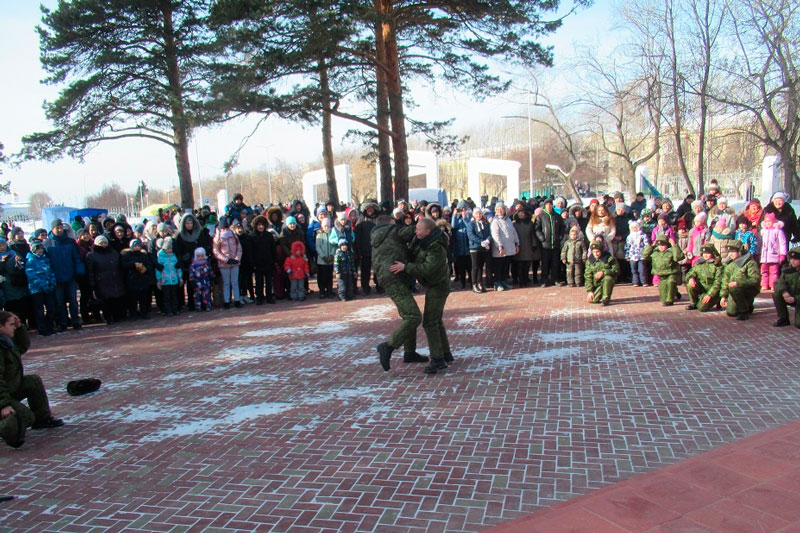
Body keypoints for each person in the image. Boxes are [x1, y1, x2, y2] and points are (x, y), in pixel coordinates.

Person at [389, 217, 453, 374]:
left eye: (418, 229)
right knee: (436, 321)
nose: (415, 231)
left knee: (430, 322)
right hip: (433, 284)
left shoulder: (436, 246)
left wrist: (405, 267)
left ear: (428, 231)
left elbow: (427, 268)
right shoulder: (421, 241)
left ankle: (438, 360)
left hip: (439, 286)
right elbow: (412, 252)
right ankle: (445, 354)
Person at [0, 311, 63, 449]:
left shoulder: (6, 342)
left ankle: (43, 419)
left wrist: (20, 326)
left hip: (10, 388)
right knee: (26, 418)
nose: (13, 328)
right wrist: (4, 405)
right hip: (2, 395)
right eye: (11, 325)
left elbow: (23, 346)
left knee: (33, 381)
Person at [372, 215, 426, 370]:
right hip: (395, 277)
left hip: (387, 277)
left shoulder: (376, 237)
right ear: (390, 224)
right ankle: (388, 346)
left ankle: (410, 352)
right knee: (413, 316)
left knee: (408, 314)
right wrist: (424, 223)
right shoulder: (393, 230)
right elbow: (412, 231)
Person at [44, 218, 84, 331]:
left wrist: (79, 269)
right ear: (52, 229)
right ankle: (63, 322)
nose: (60, 229)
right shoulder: (48, 243)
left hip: (70, 274)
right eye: (57, 227)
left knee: (73, 300)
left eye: (61, 227)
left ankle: (75, 321)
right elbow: (45, 261)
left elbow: (76, 257)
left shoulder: (70, 242)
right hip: (56, 277)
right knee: (59, 301)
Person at [720, 240, 760, 320]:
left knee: (735, 289)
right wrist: (723, 296)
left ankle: (744, 312)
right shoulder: (729, 264)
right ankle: (747, 305)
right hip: (734, 289)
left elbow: (755, 280)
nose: (730, 254)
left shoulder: (750, 263)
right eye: (729, 251)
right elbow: (725, 280)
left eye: (733, 251)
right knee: (731, 312)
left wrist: (738, 283)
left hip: (748, 288)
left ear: (740, 251)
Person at [25, 242, 58, 336]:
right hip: (36, 289)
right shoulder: (30, 260)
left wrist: (52, 282)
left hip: (48, 287)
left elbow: (51, 271)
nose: (40, 251)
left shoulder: (45, 259)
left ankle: (50, 326)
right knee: (39, 310)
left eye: (41, 249)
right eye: (38, 249)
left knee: (51, 307)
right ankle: (42, 328)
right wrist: (42, 284)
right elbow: (31, 275)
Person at [643, 235, 685, 306]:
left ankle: (670, 301)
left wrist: (674, 245)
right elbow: (644, 255)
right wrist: (652, 245)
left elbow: (678, 257)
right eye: (659, 245)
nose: (661, 247)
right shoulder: (655, 252)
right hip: (661, 274)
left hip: (672, 272)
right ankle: (674, 292)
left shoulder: (671, 251)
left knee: (671, 282)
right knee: (663, 297)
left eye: (663, 245)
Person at [213, 217, 243, 309]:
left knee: (232, 282)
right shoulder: (218, 238)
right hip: (225, 264)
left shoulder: (234, 236)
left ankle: (235, 300)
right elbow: (216, 252)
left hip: (233, 262)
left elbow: (239, 249)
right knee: (229, 283)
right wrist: (227, 260)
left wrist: (236, 259)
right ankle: (228, 300)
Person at [120, 239, 154, 319]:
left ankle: (144, 313)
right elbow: (123, 265)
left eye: (138, 246)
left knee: (143, 299)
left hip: (142, 279)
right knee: (132, 300)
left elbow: (149, 265)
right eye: (135, 246)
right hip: (132, 280)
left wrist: (145, 268)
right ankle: (133, 314)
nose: (137, 247)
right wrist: (133, 264)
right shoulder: (126, 255)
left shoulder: (144, 255)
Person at [686, 244, 723, 312]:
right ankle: (694, 303)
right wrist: (691, 278)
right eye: (704, 253)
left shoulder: (717, 265)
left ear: (712, 253)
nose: (705, 255)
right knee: (689, 285)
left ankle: (717, 300)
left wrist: (710, 294)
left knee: (702, 308)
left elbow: (718, 283)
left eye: (708, 253)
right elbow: (691, 272)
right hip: (703, 288)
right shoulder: (699, 263)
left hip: (713, 291)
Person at [490, 202, 518, 291]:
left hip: (509, 248)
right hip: (500, 249)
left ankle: (504, 280)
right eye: (497, 209)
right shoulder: (495, 221)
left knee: (506, 266)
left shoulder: (508, 220)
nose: (500, 211)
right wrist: (500, 247)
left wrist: (517, 243)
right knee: (499, 266)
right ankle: (497, 283)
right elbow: (495, 235)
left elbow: (513, 232)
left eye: (501, 209)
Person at [249, 214, 276, 305]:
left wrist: (273, 260)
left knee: (269, 281)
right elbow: (250, 251)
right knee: (259, 282)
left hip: (268, 262)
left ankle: (269, 297)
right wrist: (253, 263)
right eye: (259, 225)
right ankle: (259, 298)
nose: (261, 227)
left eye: (262, 225)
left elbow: (273, 249)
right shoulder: (252, 236)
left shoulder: (269, 236)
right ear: (255, 226)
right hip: (258, 263)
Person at [355, 202, 380, 294]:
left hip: (377, 249)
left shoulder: (379, 219)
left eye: (371, 208)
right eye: (368, 208)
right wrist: (359, 249)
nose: (370, 210)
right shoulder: (361, 220)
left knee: (378, 270)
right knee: (365, 270)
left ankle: (379, 286)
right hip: (365, 249)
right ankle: (365, 287)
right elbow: (357, 236)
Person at [759, 212, 788, 291]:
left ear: (774, 222)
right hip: (764, 256)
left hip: (774, 254)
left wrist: (782, 254)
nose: (768, 223)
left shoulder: (778, 231)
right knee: (764, 271)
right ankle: (764, 284)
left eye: (770, 222)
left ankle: (773, 285)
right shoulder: (763, 231)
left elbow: (782, 242)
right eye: (767, 222)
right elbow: (760, 243)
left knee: (774, 271)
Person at [584, 241, 619, 306]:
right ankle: (599, 293)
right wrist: (590, 291)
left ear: (601, 251)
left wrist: (604, 272)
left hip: (607, 279)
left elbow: (616, 270)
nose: (596, 254)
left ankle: (605, 299)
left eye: (597, 252)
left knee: (608, 278)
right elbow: (587, 276)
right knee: (593, 300)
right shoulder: (590, 261)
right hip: (596, 282)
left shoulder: (609, 258)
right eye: (594, 252)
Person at [772, 246, 800, 327]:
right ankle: (783, 318)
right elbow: (779, 282)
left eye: (796, 259)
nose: (792, 261)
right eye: (791, 259)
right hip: (791, 296)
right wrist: (784, 292)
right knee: (777, 294)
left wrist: (795, 298)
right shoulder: (787, 270)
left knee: (799, 324)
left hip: (798, 298)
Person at [466, 208, 492, 293]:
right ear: (474, 215)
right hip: (474, 248)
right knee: (475, 266)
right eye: (476, 214)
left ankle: (480, 283)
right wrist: (480, 241)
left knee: (481, 266)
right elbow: (470, 235)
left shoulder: (485, 223)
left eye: (480, 213)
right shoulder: (471, 224)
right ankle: (474, 284)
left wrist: (487, 240)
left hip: (483, 248)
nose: (478, 215)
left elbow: (489, 233)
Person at [156, 237, 182, 316]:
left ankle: (175, 309)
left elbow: (178, 268)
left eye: (170, 248)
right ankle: (168, 310)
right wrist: (159, 280)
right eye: (167, 248)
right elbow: (158, 270)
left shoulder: (174, 257)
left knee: (174, 295)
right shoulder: (160, 258)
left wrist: (180, 277)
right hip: (165, 280)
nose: (169, 250)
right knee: (166, 297)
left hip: (174, 279)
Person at [512, 206, 537, 287]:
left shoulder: (530, 223)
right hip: (519, 247)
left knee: (526, 266)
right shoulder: (514, 224)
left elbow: (533, 235)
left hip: (528, 246)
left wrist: (534, 244)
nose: (521, 214)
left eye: (522, 213)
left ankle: (526, 280)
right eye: (519, 213)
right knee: (519, 266)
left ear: (525, 214)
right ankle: (520, 281)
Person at [315, 217, 336, 299]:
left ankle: (329, 290)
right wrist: (323, 257)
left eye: (327, 226)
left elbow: (334, 245)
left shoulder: (332, 233)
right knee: (322, 276)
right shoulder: (319, 234)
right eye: (325, 226)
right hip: (322, 261)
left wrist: (331, 255)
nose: (326, 227)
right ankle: (322, 291)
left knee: (329, 276)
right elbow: (318, 247)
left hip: (330, 260)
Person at [625, 219, 650, 287]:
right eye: (633, 228)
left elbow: (647, 245)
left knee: (642, 270)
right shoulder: (629, 237)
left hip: (641, 255)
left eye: (635, 227)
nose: (634, 229)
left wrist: (646, 254)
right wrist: (627, 255)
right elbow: (627, 246)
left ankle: (644, 281)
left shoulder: (643, 235)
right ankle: (635, 282)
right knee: (634, 270)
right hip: (632, 255)